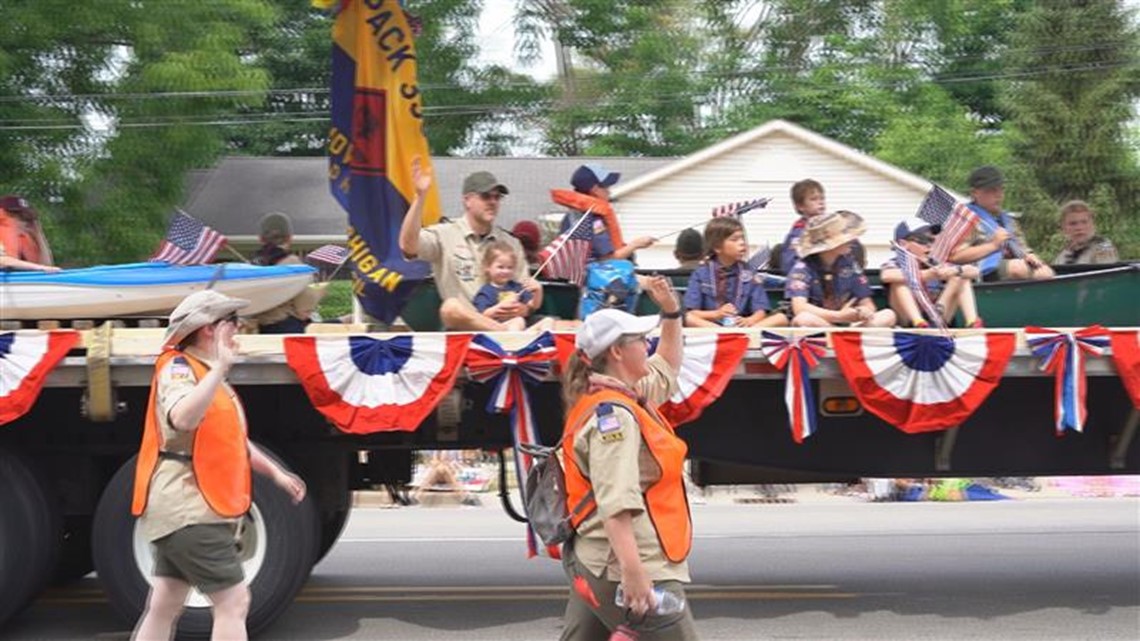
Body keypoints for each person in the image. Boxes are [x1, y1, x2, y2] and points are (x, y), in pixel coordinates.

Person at [130, 290, 306, 641]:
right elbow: (182, 417)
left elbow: (232, 441)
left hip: (187, 507)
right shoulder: (180, 368)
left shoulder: (206, 375)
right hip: (189, 508)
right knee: (234, 602)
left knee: (165, 602)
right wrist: (222, 367)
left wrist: (277, 474)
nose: (238, 329)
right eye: (232, 323)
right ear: (209, 329)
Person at [558, 276, 698, 640]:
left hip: (596, 558)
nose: (647, 344)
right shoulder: (613, 415)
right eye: (639, 340)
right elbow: (616, 501)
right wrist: (634, 572)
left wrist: (671, 310)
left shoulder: (625, 395)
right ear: (617, 352)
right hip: (623, 563)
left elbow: (667, 365)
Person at [398, 158, 528, 331]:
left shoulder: (511, 243)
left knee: (553, 322)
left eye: (497, 197)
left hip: (508, 323)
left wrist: (524, 308)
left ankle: (505, 335)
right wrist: (420, 197)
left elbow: (527, 295)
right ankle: (504, 336)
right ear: (467, 200)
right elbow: (408, 246)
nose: (493, 202)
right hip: (464, 329)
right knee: (450, 307)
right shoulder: (445, 234)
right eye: (486, 196)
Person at [785, 211, 896, 328]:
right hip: (821, 324)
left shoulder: (850, 265)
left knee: (888, 315)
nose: (851, 241)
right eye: (844, 237)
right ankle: (840, 337)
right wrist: (839, 316)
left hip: (850, 326)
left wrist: (863, 311)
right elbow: (799, 308)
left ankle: (846, 337)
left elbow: (867, 303)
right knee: (803, 319)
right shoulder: (802, 269)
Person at [950, 165, 1055, 281]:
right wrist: (993, 245)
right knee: (1020, 269)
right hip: (978, 271)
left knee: (1045, 271)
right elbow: (955, 256)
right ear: (975, 193)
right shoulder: (966, 219)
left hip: (1009, 265)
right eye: (991, 190)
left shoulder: (1008, 220)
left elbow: (1022, 246)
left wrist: (1028, 255)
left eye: (1001, 189)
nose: (999, 195)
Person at [683, 217, 787, 329]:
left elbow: (761, 311)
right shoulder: (701, 273)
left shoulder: (749, 272)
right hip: (713, 326)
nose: (742, 243)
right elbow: (692, 312)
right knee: (688, 318)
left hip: (743, 326)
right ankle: (723, 334)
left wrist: (749, 320)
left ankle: (741, 335)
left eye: (742, 238)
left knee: (781, 318)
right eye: (734, 239)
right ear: (717, 247)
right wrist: (716, 314)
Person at [880, 217, 983, 328]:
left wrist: (955, 270)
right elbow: (886, 275)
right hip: (906, 320)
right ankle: (918, 322)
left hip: (937, 315)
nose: (929, 245)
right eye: (923, 240)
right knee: (899, 282)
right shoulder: (895, 263)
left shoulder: (934, 263)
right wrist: (927, 275)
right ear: (903, 243)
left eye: (932, 240)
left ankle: (972, 322)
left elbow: (975, 272)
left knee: (960, 276)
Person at [554, 164, 655, 264]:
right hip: (594, 276)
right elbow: (607, 259)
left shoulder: (573, 215)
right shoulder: (592, 220)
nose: (609, 191)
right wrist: (636, 245)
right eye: (606, 186)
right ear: (595, 189)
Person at [250, 212, 326, 334]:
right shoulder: (293, 264)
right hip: (288, 329)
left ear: (260, 239)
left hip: (258, 330)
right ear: (289, 238)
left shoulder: (253, 265)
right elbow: (304, 310)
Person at [472, 240, 546, 331]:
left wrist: (538, 291)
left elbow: (533, 306)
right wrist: (499, 307)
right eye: (500, 267)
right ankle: (515, 343)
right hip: (500, 330)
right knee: (518, 321)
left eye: (510, 267)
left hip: (524, 329)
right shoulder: (486, 291)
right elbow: (482, 315)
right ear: (488, 267)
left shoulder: (517, 287)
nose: (505, 271)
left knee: (548, 321)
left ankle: (542, 342)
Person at [778, 179, 828, 274]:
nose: (821, 202)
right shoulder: (798, 233)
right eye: (814, 199)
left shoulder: (831, 225)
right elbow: (790, 264)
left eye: (822, 198)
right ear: (800, 206)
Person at [0, 195, 59, 272]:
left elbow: (48, 266)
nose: (24, 222)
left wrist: (38, 234)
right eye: (19, 217)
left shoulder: (24, 239)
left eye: (27, 218)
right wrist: (39, 268)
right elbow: (3, 261)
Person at [1053, 200, 1119, 265]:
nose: (1079, 228)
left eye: (1084, 222)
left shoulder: (1103, 247)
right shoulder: (1063, 254)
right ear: (1064, 227)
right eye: (1073, 224)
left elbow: (1107, 274)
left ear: (1092, 224)